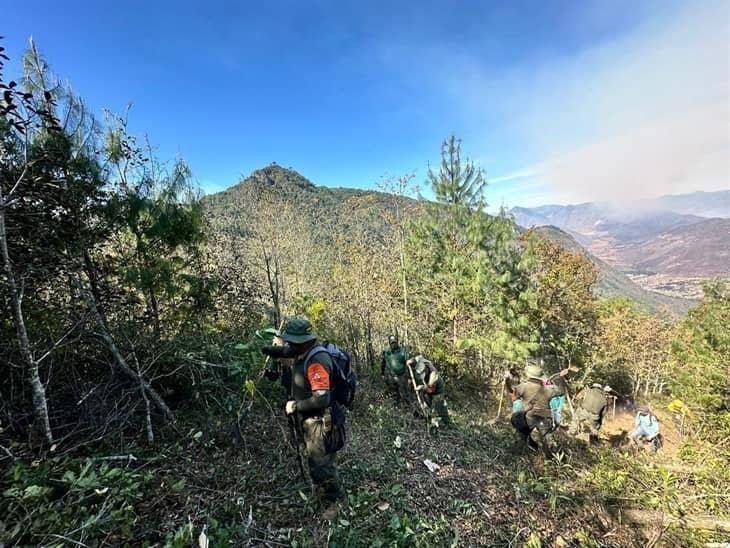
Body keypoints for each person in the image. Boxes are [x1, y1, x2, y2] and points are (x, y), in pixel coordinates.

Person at [278, 319, 345, 510]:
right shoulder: (303, 352)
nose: (290, 345)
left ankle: (335, 503)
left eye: (292, 342)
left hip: (318, 421)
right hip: (310, 420)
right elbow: (283, 352)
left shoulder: (316, 361)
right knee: (316, 462)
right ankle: (323, 493)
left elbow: (321, 399)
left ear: (304, 341)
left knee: (322, 465)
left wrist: (296, 406)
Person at [511, 362, 570, 455]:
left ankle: (522, 455)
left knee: (522, 436)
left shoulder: (522, 386)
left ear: (528, 375)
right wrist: (562, 378)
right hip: (545, 418)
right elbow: (562, 391)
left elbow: (514, 398)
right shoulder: (549, 389)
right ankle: (554, 460)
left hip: (528, 417)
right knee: (548, 441)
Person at [407, 355, 451, 429]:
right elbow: (417, 357)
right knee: (426, 403)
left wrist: (422, 387)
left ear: (426, 370)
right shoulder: (422, 361)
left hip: (437, 390)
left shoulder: (433, 376)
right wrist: (410, 361)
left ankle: (446, 423)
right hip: (427, 387)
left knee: (439, 405)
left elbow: (430, 390)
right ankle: (428, 418)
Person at [381, 335, 410, 403]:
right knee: (394, 389)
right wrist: (383, 373)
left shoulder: (402, 351)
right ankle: (397, 402)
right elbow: (387, 364)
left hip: (402, 374)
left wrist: (409, 377)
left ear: (397, 342)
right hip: (392, 375)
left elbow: (407, 363)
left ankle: (408, 403)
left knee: (405, 390)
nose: (394, 344)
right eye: (392, 343)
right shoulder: (387, 353)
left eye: (395, 342)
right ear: (390, 344)